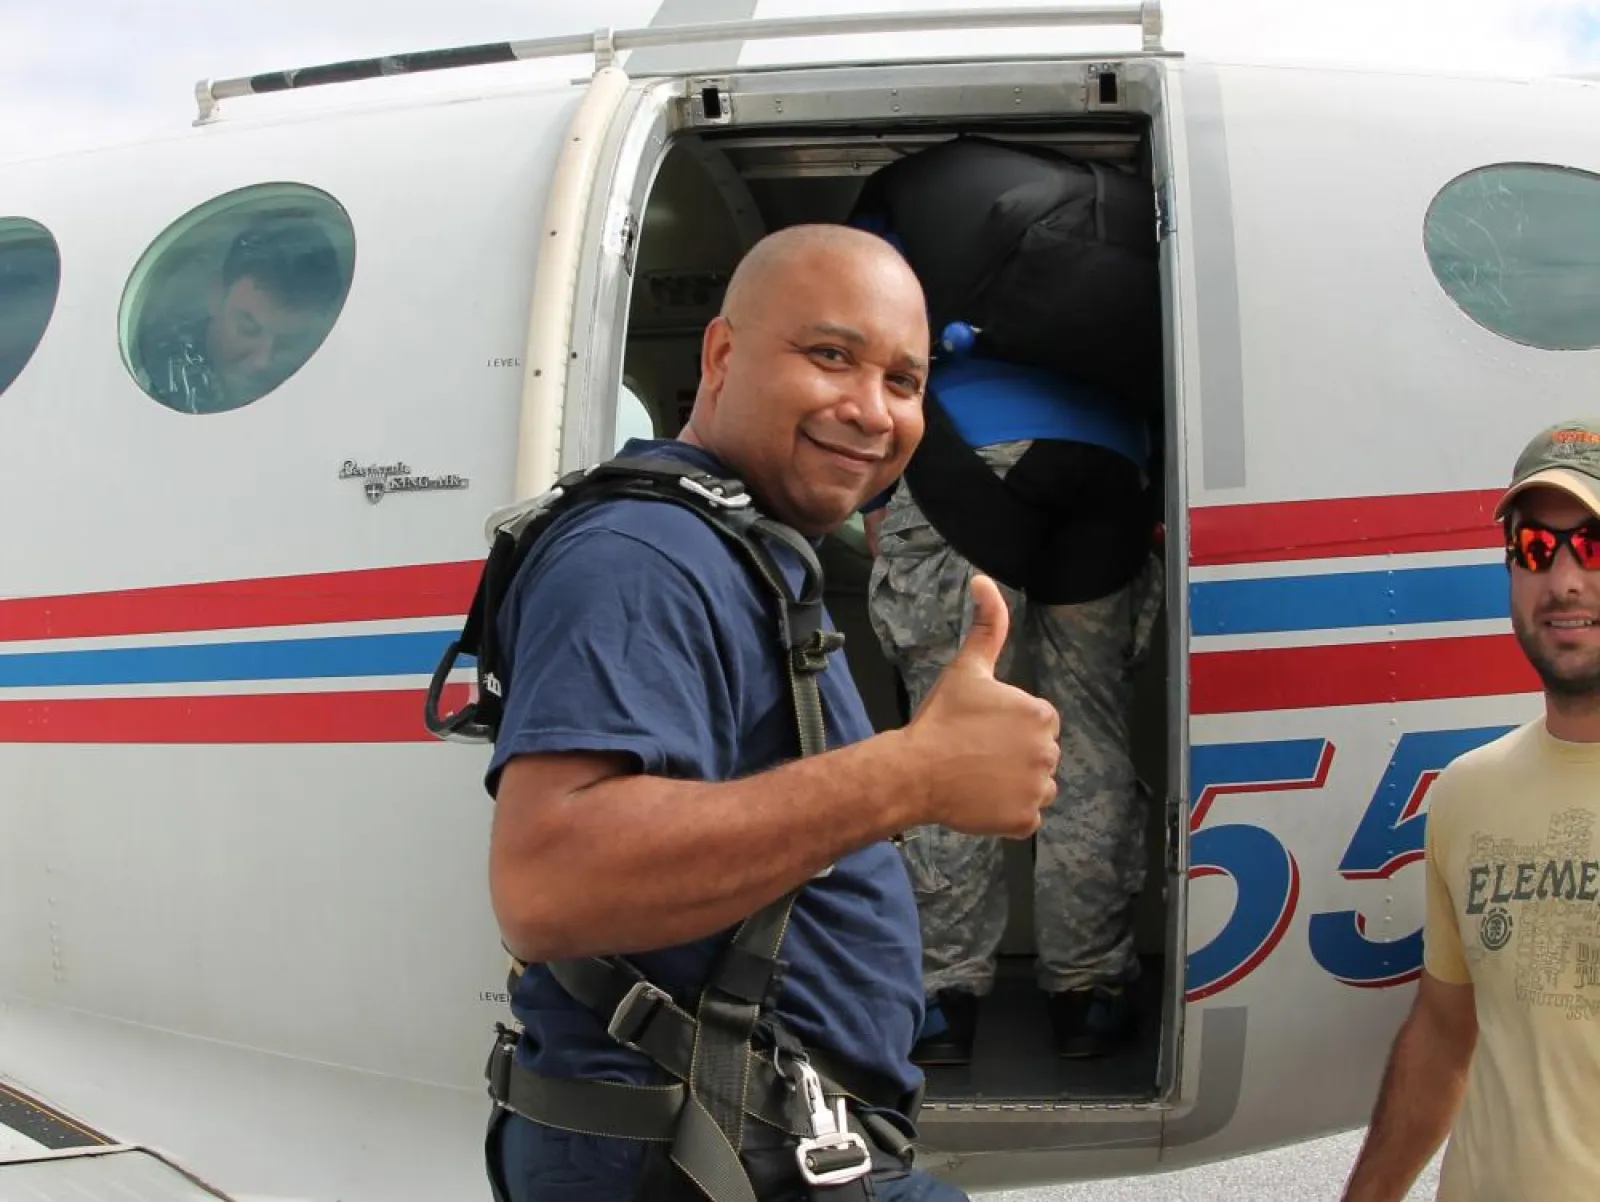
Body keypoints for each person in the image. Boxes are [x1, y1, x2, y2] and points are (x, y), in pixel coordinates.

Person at [482, 223, 1065, 1202]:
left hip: (749, 1143)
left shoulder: (740, 548)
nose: (870, 410)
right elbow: (549, 882)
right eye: (830, 355)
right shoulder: (642, 556)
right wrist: (912, 774)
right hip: (693, 1153)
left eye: (904, 380)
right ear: (720, 354)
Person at [862, 346, 1164, 1065]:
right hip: (1110, 457)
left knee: (947, 729)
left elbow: (874, 341)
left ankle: (942, 1002)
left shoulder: (919, 231)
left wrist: (878, 500)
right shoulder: (1107, 251)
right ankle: (1089, 995)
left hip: (963, 451)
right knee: (1088, 734)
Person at [1340, 419, 1600, 1202]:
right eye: (1533, 549)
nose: (1563, 581)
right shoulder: (1466, 793)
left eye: (1592, 544)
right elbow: (1444, 1036)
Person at [137, 215, 344, 414]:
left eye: (288, 343)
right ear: (216, 296)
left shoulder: (333, 388)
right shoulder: (156, 378)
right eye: (248, 329)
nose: (263, 361)